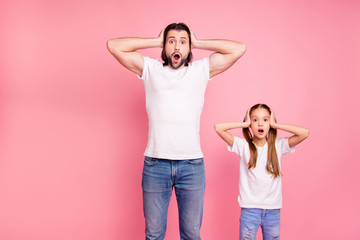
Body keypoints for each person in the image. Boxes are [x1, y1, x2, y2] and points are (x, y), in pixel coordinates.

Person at [107, 22, 246, 240]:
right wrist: (155, 40)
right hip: (155, 165)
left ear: (189, 48)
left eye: (183, 42)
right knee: (153, 234)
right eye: (171, 41)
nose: (177, 47)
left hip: (191, 166)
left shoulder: (201, 70)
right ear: (164, 47)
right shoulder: (151, 69)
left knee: (191, 234)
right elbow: (114, 45)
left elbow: (239, 48)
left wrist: (198, 42)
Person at [214, 104, 309, 240]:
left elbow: (304, 133)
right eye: (255, 120)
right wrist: (244, 123)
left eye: (265, 120)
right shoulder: (243, 146)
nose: (260, 124)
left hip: (273, 212)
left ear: (270, 123)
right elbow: (218, 128)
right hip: (249, 211)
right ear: (250, 124)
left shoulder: (278, 146)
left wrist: (276, 125)